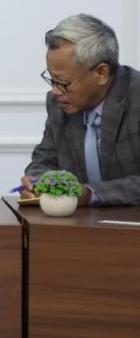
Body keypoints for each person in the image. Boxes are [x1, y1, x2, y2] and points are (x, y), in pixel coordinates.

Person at [20, 14, 140, 206]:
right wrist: (38, 182)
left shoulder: (135, 97)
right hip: (80, 220)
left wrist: (91, 194)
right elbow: (44, 160)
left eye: (63, 82)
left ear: (101, 73)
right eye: (52, 80)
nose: (55, 91)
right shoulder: (58, 103)